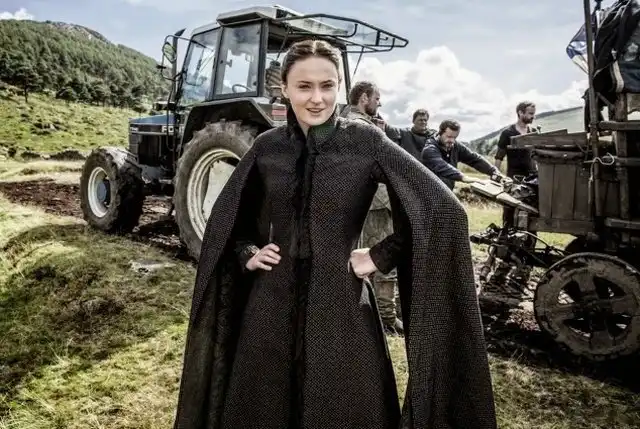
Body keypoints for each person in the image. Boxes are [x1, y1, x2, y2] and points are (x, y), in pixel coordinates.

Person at [172, 39, 497, 429]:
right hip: (270, 308)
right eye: (304, 86)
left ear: (340, 86)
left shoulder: (364, 142)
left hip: (342, 307)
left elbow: (442, 210)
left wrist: (379, 256)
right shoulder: (267, 147)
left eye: (327, 85)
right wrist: (247, 252)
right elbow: (230, 219)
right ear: (284, 88)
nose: (317, 98)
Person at [342, 80, 404, 335]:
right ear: (364, 98)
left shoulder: (348, 122)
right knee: (378, 258)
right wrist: (381, 136)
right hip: (376, 203)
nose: (380, 103)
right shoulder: (360, 127)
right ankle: (385, 317)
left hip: (368, 202)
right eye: (377, 98)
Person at [482, 101, 539, 307]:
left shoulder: (535, 132)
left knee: (532, 218)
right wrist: (495, 177)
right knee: (509, 219)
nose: (532, 116)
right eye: (529, 113)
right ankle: (505, 256)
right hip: (513, 180)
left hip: (532, 181)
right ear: (520, 113)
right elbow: (498, 158)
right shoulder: (507, 133)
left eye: (533, 113)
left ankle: (526, 259)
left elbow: (538, 156)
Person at [421, 119, 508, 190]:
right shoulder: (429, 149)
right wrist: (463, 177)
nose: (452, 141)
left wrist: (494, 172)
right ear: (440, 133)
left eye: (454, 137)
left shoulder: (455, 146)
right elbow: (441, 166)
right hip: (427, 195)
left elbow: (474, 159)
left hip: (446, 194)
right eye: (449, 137)